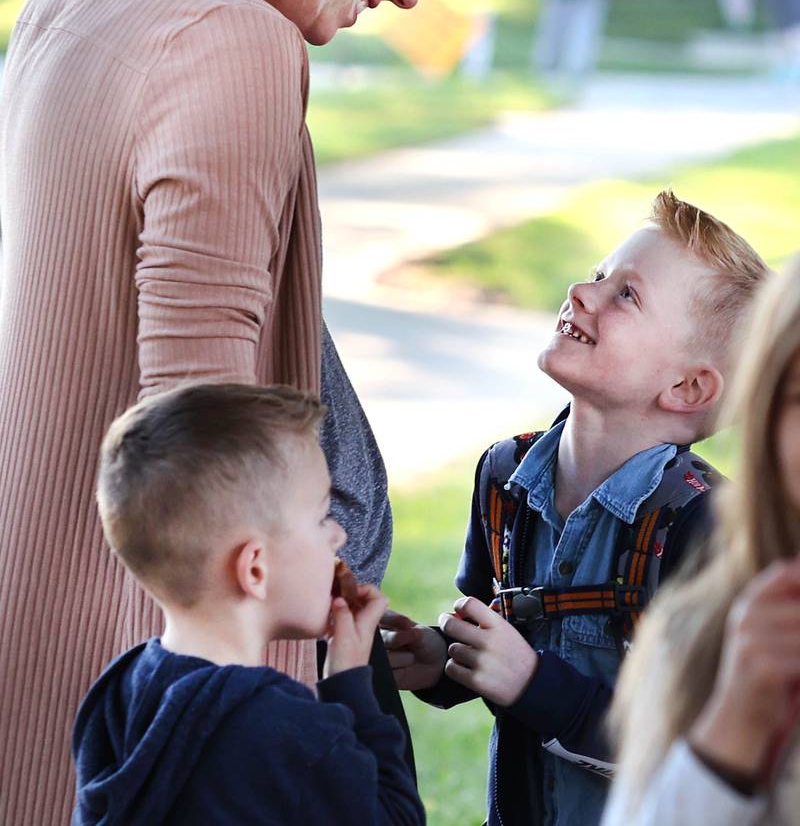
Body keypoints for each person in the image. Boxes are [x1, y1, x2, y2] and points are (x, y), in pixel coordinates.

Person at [0, 0, 520, 821]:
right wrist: (308, 615)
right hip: (170, 677)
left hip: (42, 612)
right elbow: (205, 426)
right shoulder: (235, 38)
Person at [382, 190, 768, 826]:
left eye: (627, 296)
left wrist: (535, 685)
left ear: (687, 387)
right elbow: (497, 636)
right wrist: (440, 659)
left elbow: (695, 744)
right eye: (597, 276)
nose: (582, 292)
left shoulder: (710, 527)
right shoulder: (504, 476)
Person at [71, 381, 425, 825]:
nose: (339, 535)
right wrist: (352, 679)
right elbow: (397, 817)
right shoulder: (281, 728)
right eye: (321, 518)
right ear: (254, 569)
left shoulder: (119, 688)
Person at [602, 254, 800, 826]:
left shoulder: (688, 509)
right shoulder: (699, 637)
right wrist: (734, 726)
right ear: (766, 426)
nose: (580, 295)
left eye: (627, 295)